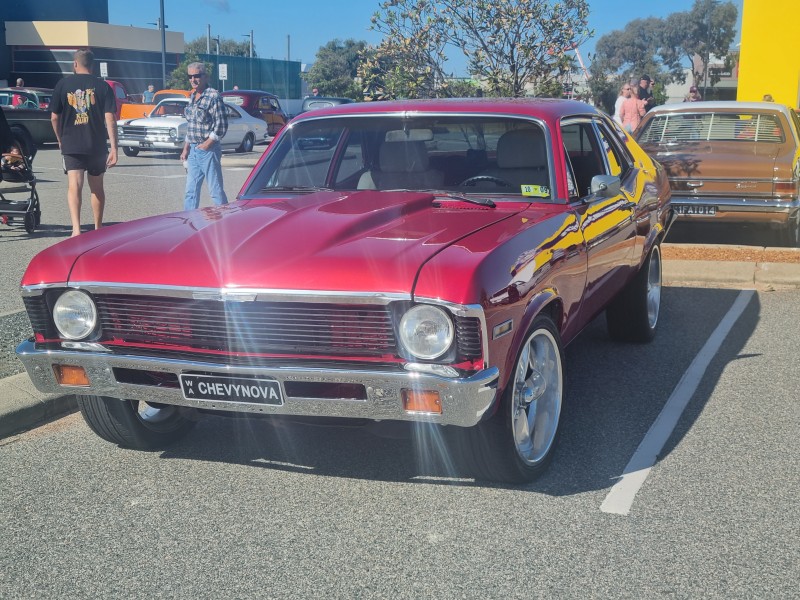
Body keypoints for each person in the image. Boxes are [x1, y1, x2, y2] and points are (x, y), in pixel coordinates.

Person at [50, 49, 118, 237]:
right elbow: (110, 118)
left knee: (74, 185)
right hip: (96, 144)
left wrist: (60, 138)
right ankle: (97, 228)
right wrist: (114, 148)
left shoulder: (63, 85)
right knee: (97, 188)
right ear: (93, 65)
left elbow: (54, 117)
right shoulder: (103, 87)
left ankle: (76, 229)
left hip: (71, 143)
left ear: (75, 64)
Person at [180, 62, 228, 211]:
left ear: (205, 77)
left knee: (216, 191)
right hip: (194, 150)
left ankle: (225, 223)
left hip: (208, 151)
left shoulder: (213, 96)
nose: (193, 79)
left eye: (197, 76)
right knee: (190, 192)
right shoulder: (192, 96)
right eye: (190, 76)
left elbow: (222, 125)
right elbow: (192, 125)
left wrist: (208, 143)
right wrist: (186, 148)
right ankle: (189, 224)